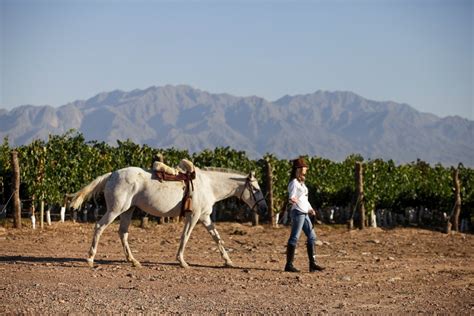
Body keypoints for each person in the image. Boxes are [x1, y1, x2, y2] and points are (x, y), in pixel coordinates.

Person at [284, 157, 325, 273]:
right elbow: (291, 197)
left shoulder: (301, 183)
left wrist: (310, 209)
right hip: (298, 212)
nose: (306, 168)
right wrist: (293, 200)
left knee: (312, 236)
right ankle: (289, 265)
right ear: (298, 169)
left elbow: (304, 199)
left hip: (304, 212)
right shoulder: (294, 183)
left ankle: (312, 264)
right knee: (294, 237)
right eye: (304, 166)